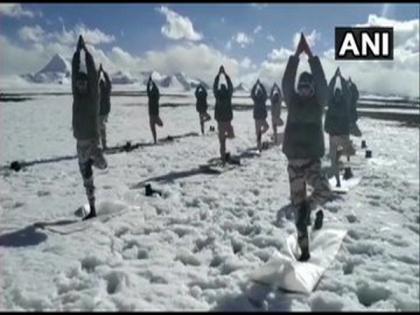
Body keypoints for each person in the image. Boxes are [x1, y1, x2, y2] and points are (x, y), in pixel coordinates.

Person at [282, 33, 331, 261]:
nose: (302, 89)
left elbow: (322, 83)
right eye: (300, 86)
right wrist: (294, 57)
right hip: (294, 164)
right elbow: (286, 82)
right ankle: (304, 250)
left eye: (306, 87)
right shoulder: (291, 102)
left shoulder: (319, 103)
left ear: (312, 89)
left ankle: (306, 211)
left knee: (323, 191)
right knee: (297, 207)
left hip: (311, 162)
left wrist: (310, 56)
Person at [72, 35, 107, 221]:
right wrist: (76, 53)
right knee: (86, 178)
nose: (81, 84)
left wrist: (86, 54)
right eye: (79, 82)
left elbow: (93, 77)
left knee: (102, 165)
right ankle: (92, 208)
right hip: (80, 143)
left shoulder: (93, 98)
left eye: (84, 82)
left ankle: (98, 160)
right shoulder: (76, 96)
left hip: (92, 141)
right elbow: (74, 73)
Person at [324, 67, 355, 187]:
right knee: (334, 161)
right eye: (335, 94)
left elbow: (347, 92)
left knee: (348, 153)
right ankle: (337, 182)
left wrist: (340, 78)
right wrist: (334, 77)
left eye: (338, 94)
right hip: (334, 135)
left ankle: (342, 162)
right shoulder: (332, 103)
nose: (336, 96)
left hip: (342, 134)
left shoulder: (345, 104)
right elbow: (329, 90)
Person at [213, 65, 234, 164]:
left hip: (221, 121)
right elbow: (230, 86)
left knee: (222, 141)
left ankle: (223, 158)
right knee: (227, 138)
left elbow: (214, 86)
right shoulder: (228, 95)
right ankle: (223, 158)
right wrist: (225, 75)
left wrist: (219, 75)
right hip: (227, 121)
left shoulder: (217, 95)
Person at [251, 79, 269, 152]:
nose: (259, 94)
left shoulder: (262, 99)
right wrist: (257, 85)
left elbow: (264, 93)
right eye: (258, 93)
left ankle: (260, 134)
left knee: (266, 127)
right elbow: (253, 93)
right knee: (258, 134)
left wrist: (259, 85)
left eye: (259, 93)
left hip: (262, 118)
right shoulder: (256, 99)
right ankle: (259, 147)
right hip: (258, 118)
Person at [98, 64, 112, 150]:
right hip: (103, 112)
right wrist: (102, 72)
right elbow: (109, 82)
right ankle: (102, 145)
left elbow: (108, 82)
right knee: (100, 129)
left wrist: (100, 72)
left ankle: (102, 145)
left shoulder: (103, 91)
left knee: (100, 128)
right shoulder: (106, 91)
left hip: (102, 112)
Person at [147, 76, 163, 144]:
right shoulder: (154, 96)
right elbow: (148, 91)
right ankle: (155, 140)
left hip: (154, 114)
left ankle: (155, 140)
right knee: (153, 129)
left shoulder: (154, 96)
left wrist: (150, 83)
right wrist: (151, 82)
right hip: (153, 114)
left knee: (159, 125)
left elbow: (148, 91)